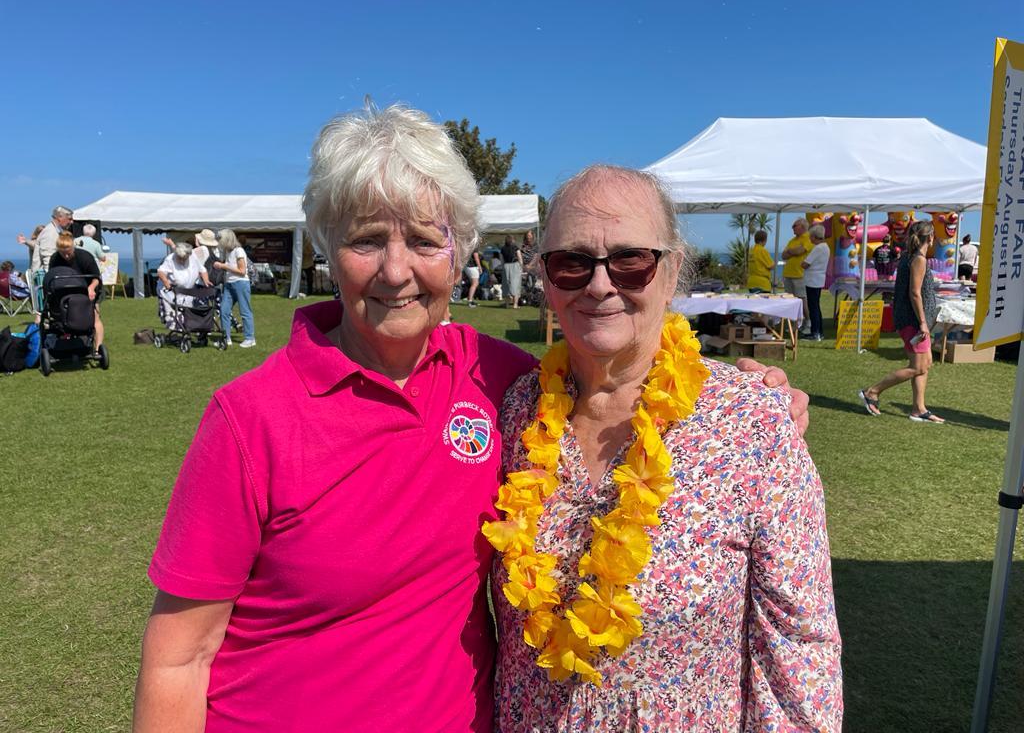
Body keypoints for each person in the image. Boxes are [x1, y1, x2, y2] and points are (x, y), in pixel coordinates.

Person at [133, 106, 809, 733]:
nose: (396, 271)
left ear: (459, 251)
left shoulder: (500, 383)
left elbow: (620, 369)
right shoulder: (251, 419)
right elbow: (177, 660)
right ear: (327, 248)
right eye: (367, 240)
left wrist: (757, 398)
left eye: (425, 240)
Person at [487, 165, 841, 731]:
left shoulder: (751, 423)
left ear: (672, 270)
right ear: (547, 280)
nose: (600, 285)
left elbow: (800, 647)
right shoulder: (512, 412)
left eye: (631, 260)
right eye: (572, 262)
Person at [859, 220, 944, 423]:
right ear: (930, 237)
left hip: (912, 318)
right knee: (918, 367)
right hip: (913, 321)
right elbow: (914, 293)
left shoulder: (909, 256)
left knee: (926, 363)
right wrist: (923, 323)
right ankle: (872, 392)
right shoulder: (919, 259)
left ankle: (919, 408)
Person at [48, 231, 105, 350]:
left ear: (73, 247)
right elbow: (52, 277)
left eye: (68, 253)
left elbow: (96, 278)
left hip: (89, 289)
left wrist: (91, 288)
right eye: (63, 254)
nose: (66, 256)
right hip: (65, 291)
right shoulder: (55, 259)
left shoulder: (85, 257)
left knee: (95, 318)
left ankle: (98, 348)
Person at [211, 229, 255, 348]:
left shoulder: (238, 251)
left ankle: (250, 338)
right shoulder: (227, 252)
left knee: (245, 311)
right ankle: (226, 338)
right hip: (229, 284)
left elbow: (242, 271)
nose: (220, 243)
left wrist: (224, 266)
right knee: (224, 311)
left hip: (241, 283)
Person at [157, 242, 212, 328]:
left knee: (187, 317)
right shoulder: (170, 259)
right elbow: (161, 272)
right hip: (170, 293)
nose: (182, 260)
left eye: (184, 258)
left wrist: (206, 281)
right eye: (180, 258)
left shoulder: (193, 257)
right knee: (172, 319)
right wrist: (166, 283)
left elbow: (202, 270)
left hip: (187, 293)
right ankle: (176, 335)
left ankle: (185, 332)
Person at [781, 217, 811, 332]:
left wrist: (790, 251)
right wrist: (792, 251)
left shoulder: (807, 238)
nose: (792, 227)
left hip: (800, 275)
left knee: (802, 300)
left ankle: (807, 322)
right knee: (790, 301)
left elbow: (800, 251)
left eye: (795, 225)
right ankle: (794, 324)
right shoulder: (792, 240)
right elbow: (783, 255)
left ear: (802, 227)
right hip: (788, 274)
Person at [801, 224, 830, 341]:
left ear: (814, 236)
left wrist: (803, 263)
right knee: (816, 306)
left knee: (813, 307)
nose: (810, 238)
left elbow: (805, 263)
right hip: (818, 279)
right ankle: (819, 331)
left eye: (811, 236)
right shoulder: (825, 247)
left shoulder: (818, 248)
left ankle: (815, 332)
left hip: (813, 280)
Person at [501, 235, 524, 308]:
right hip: (515, 266)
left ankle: (507, 304)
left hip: (506, 266)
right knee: (516, 285)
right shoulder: (516, 248)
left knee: (506, 285)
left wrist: (503, 267)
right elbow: (520, 258)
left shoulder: (502, 248)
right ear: (512, 240)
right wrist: (521, 267)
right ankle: (515, 304)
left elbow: (501, 260)